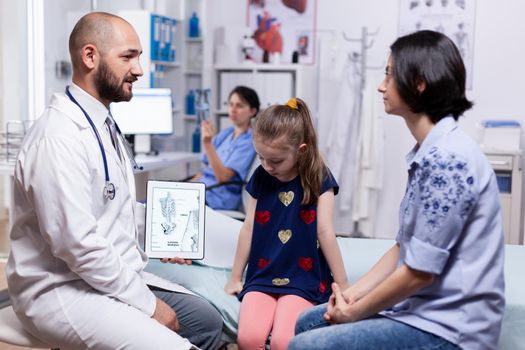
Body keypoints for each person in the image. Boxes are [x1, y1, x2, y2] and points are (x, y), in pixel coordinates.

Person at [6, 12, 222, 350]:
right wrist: (150, 306)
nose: (139, 69)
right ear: (90, 56)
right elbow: (78, 246)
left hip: (104, 277)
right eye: (128, 57)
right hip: (62, 289)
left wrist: (168, 239)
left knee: (206, 322)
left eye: (138, 57)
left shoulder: (103, 124)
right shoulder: (58, 139)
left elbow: (115, 206)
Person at [289, 30, 505, 350]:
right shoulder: (427, 152)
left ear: (418, 83)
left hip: (451, 328)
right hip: (419, 310)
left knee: (304, 345)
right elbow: (402, 248)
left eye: (390, 74)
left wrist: (356, 312)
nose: (381, 85)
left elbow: (419, 274)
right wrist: (350, 295)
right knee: (307, 321)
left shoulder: (448, 160)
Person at [224, 98, 348, 350]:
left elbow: (325, 231)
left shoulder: (319, 177)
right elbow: (249, 227)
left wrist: (343, 285)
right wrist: (236, 277)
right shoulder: (262, 176)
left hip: (303, 277)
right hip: (263, 273)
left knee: (283, 342)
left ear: (300, 150)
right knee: (247, 339)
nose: (268, 167)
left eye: (276, 161)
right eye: (261, 158)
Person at [192, 86, 260, 210]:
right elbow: (206, 168)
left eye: (239, 106)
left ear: (252, 111)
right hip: (201, 191)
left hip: (218, 197)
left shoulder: (250, 141)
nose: (233, 110)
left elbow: (222, 177)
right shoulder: (226, 133)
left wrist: (207, 144)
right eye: (231, 104)